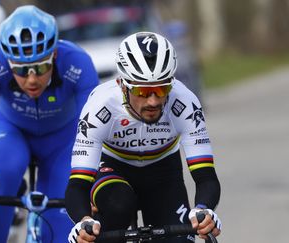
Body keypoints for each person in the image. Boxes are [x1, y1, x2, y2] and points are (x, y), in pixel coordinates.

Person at [65, 32, 221, 243]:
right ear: (122, 84)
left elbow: (206, 177)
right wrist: (83, 221)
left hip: (163, 172)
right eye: (142, 91)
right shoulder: (99, 107)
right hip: (113, 169)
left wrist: (204, 211)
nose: (154, 101)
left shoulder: (185, 103)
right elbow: (77, 185)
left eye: (162, 88)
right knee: (119, 203)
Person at [0, 5, 99, 243]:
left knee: (61, 227)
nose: (32, 79)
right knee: (2, 176)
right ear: (8, 62)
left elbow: (93, 132)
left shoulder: (77, 62)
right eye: (21, 70)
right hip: (11, 133)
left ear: (54, 55)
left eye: (40, 67)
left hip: (63, 139)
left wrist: (92, 180)